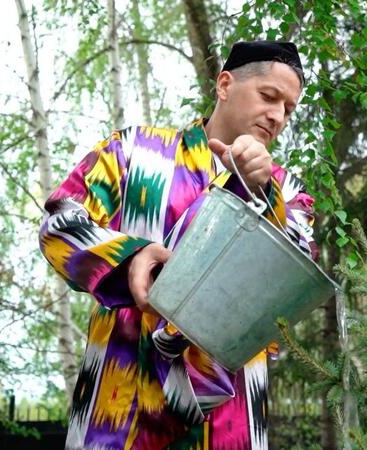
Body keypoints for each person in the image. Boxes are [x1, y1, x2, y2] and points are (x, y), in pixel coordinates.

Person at [39, 41, 318, 449]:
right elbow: (60, 224)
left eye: (288, 109)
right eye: (268, 96)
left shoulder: (286, 192)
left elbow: (295, 277)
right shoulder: (135, 150)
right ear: (225, 85)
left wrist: (259, 192)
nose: (278, 116)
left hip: (230, 427)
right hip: (117, 410)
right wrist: (129, 258)